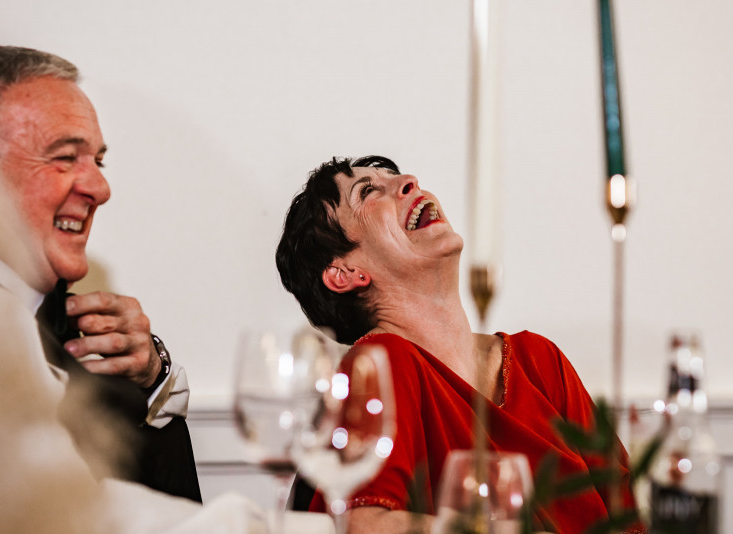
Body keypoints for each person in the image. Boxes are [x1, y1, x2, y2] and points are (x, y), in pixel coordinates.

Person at [275, 156, 644, 533]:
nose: (408, 181)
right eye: (368, 191)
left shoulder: (540, 360)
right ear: (347, 274)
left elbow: (630, 518)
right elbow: (362, 525)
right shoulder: (381, 364)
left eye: (395, 176)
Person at [0, 45, 200, 503]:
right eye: (64, 157)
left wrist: (152, 380)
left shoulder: (73, 333)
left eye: (97, 161)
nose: (100, 188)